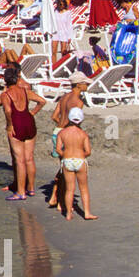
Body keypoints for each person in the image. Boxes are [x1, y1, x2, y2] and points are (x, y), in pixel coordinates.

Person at [0, 66, 45, 200]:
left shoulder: (6, 95)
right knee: (29, 158)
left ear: (5, 80)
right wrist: (32, 112)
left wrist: (10, 125)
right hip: (29, 122)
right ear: (17, 79)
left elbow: (8, 111)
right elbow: (42, 101)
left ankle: (21, 192)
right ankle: (31, 188)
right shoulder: (25, 91)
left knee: (20, 160)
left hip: (17, 124)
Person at [46, 73, 89, 209]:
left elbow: (54, 116)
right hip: (66, 134)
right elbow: (74, 121)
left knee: (64, 166)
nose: (87, 85)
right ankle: (58, 199)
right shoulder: (78, 101)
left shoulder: (64, 97)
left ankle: (57, 198)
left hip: (56, 132)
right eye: (85, 83)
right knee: (68, 168)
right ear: (78, 85)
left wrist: (61, 128)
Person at [55, 107, 95, 220]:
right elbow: (88, 151)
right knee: (84, 189)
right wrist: (81, 156)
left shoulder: (62, 133)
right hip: (80, 161)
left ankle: (68, 213)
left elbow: (58, 149)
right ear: (81, 120)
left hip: (67, 161)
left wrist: (65, 155)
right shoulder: (83, 134)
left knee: (69, 189)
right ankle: (87, 213)